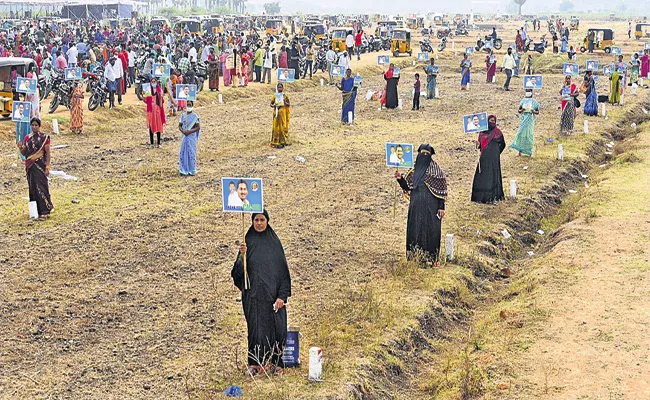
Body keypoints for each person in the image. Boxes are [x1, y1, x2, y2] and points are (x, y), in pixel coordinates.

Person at [231, 210, 292, 377]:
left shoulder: (274, 244)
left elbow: (283, 273)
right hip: (253, 296)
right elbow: (238, 274)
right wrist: (242, 257)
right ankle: (255, 364)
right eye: (256, 220)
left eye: (262, 220)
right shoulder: (247, 242)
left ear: (267, 221)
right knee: (255, 330)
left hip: (273, 297)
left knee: (276, 329)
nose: (259, 223)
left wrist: (282, 295)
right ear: (251, 222)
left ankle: (276, 364)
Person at [395, 144, 448, 265]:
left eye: (426, 154)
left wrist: (441, 207)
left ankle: (431, 258)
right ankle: (414, 257)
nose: (424, 157)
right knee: (415, 230)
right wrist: (400, 179)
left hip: (432, 209)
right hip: (416, 207)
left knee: (431, 232)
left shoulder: (436, 171)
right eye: (422, 154)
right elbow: (408, 187)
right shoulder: (414, 171)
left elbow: (442, 191)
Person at [16, 118, 53, 218]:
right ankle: (35, 211)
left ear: (39, 126)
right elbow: (25, 153)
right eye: (32, 125)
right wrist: (20, 148)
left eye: (36, 125)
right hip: (30, 166)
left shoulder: (44, 137)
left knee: (41, 186)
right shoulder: (27, 138)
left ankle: (45, 211)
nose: (34, 127)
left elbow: (48, 153)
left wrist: (47, 166)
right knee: (32, 188)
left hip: (40, 165)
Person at [471, 115, 505, 204]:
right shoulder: (482, 132)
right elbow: (479, 146)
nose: (492, 122)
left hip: (493, 158)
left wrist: (496, 153)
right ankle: (481, 197)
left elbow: (503, 144)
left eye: (494, 120)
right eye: (490, 120)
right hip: (484, 158)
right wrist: (478, 144)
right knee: (482, 175)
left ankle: (491, 197)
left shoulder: (497, 132)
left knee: (492, 177)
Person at [510, 89, 540, 156]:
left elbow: (537, 112)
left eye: (529, 91)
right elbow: (519, 110)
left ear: (532, 92)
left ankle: (529, 151)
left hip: (530, 120)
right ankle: (520, 151)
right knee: (521, 134)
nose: (528, 93)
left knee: (529, 135)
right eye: (527, 91)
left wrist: (533, 112)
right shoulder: (523, 101)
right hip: (523, 120)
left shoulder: (534, 102)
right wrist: (522, 110)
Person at [178, 101, 200, 176]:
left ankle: (192, 169)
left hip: (191, 137)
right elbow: (180, 125)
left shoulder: (195, 116)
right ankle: (183, 169)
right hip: (184, 136)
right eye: (187, 105)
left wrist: (190, 131)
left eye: (190, 105)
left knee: (191, 153)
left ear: (192, 106)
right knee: (183, 152)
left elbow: (198, 127)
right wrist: (183, 131)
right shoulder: (183, 115)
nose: (189, 106)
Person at [144, 77, 166, 147]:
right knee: (151, 125)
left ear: (156, 82)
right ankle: (152, 143)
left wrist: (161, 96)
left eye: (154, 81)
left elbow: (162, 101)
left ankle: (158, 143)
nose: (153, 83)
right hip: (150, 111)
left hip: (158, 110)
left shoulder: (160, 90)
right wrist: (144, 95)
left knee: (159, 125)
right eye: (152, 82)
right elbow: (145, 101)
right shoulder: (148, 90)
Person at [270, 83, 290, 148]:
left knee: (282, 126)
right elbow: (271, 104)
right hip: (276, 113)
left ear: (283, 88)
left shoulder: (285, 96)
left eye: (281, 87)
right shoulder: (275, 96)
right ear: (277, 88)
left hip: (282, 113)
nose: (280, 89)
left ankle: (283, 141)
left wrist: (284, 102)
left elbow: (288, 104)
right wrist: (274, 105)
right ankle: (275, 141)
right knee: (276, 126)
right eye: (278, 87)